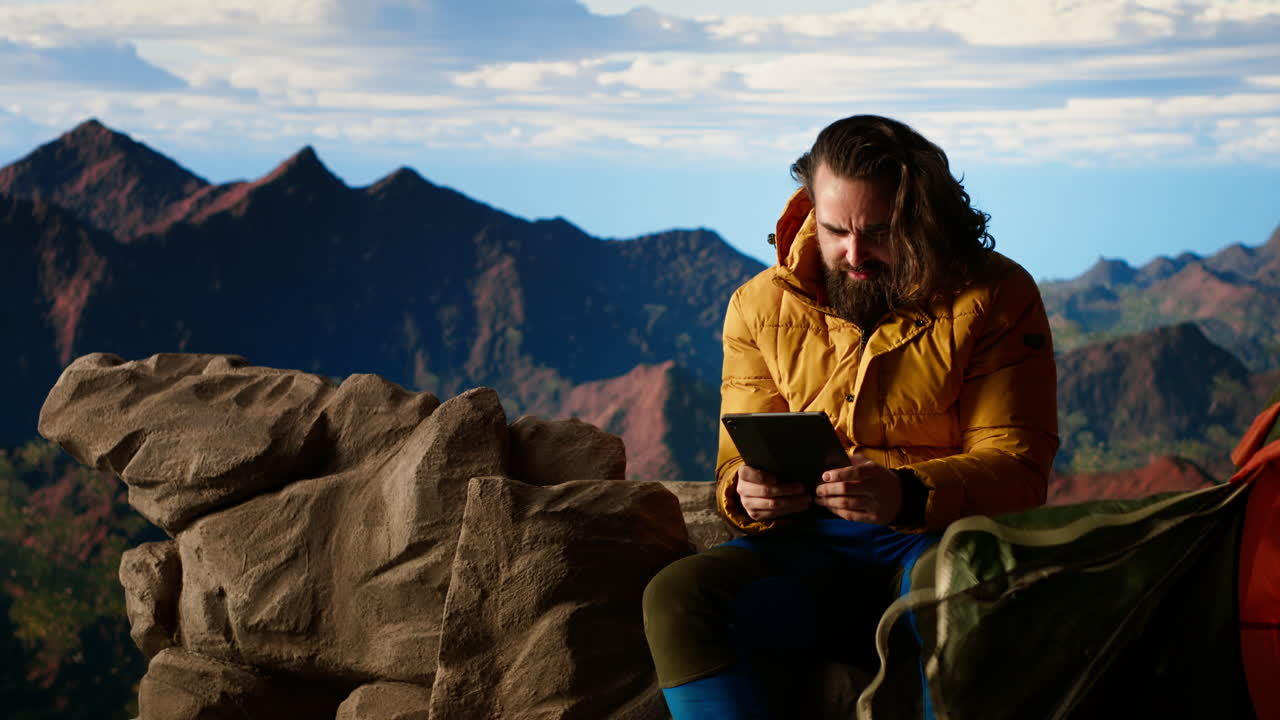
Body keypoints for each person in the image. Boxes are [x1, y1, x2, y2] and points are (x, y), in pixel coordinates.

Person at [642, 114, 1059, 719]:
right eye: (836, 230)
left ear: (922, 216)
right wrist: (746, 492)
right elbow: (735, 458)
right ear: (811, 207)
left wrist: (906, 493)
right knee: (675, 598)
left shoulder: (996, 296)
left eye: (880, 232)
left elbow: (1019, 468)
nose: (854, 254)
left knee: (953, 593)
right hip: (806, 556)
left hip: (933, 542)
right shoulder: (758, 306)